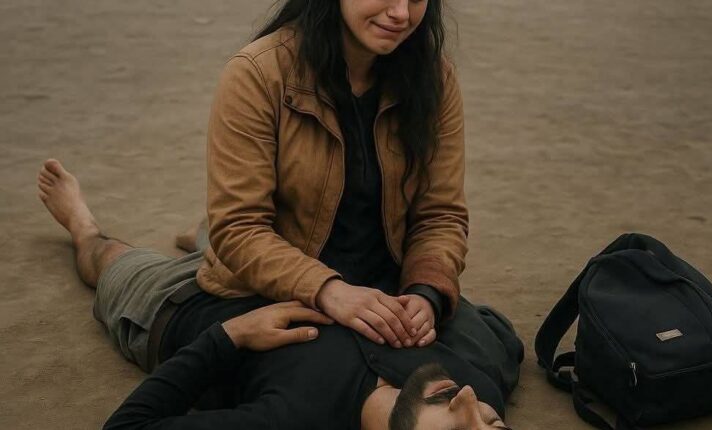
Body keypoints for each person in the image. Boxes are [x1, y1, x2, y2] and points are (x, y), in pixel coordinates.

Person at [36, 160, 523, 429]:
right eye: (492, 426)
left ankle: (82, 225)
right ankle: (211, 236)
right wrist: (426, 299)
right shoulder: (475, 379)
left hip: (182, 304)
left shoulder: (291, 421)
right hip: (301, 267)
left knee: (108, 259)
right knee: (249, 233)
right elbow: (497, 332)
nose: (468, 401)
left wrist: (230, 335)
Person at [197, 0, 470, 350]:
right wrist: (329, 290)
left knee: (483, 353)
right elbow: (238, 227)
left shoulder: (434, 78)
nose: (402, 13)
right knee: (333, 368)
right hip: (276, 295)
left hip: (385, 293)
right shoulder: (258, 73)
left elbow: (441, 215)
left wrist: (425, 293)